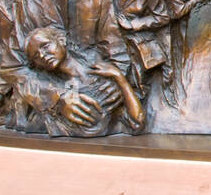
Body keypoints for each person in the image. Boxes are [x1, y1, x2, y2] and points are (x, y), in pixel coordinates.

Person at [10, 0, 132, 126]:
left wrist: (115, 84)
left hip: (91, 91)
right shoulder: (30, 1)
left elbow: (117, 53)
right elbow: (14, 67)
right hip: (48, 97)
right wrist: (55, 99)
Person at [15, 27, 144, 137]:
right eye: (36, 56)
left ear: (61, 40)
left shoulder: (98, 63)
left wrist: (120, 79)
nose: (43, 56)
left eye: (45, 46)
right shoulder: (61, 91)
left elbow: (137, 121)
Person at [110, 0, 172, 100]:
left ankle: (137, 97)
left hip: (135, 38)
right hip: (112, 34)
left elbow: (163, 16)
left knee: (135, 70)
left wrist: (135, 24)